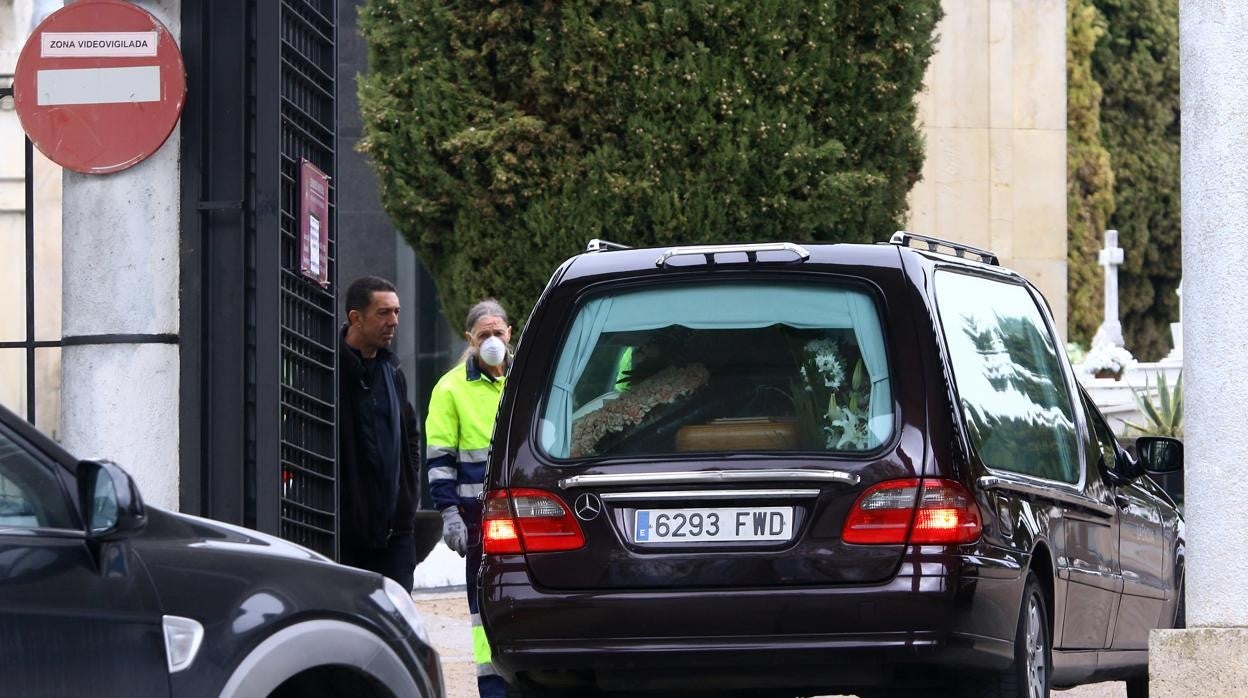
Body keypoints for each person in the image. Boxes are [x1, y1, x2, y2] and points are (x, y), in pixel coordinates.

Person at [426, 298, 511, 698]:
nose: (493, 340)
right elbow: (440, 460)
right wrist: (449, 514)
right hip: (480, 520)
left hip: (530, 511)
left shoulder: (525, 381)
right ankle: (492, 687)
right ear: (469, 340)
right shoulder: (450, 389)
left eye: (498, 332)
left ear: (510, 333)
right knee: (484, 610)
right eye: (484, 335)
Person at [338, 276, 421, 591]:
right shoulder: (330, 370)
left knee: (398, 620)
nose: (394, 321)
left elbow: (409, 434)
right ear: (355, 318)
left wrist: (407, 493)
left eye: (397, 312)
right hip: (347, 533)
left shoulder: (392, 372)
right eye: (384, 313)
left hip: (395, 533)